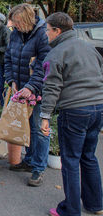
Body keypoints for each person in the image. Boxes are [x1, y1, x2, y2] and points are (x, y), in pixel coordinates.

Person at [40, 12, 103, 216]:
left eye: (47, 30)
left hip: (75, 111)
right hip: (97, 107)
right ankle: (96, 205)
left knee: (71, 160)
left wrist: (45, 116)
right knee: (88, 156)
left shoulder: (56, 54)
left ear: (57, 31)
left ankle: (70, 210)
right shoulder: (88, 47)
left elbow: (51, 88)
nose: (46, 34)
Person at [5, 3, 51, 187]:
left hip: (38, 90)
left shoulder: (42, 35)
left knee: (40, 129)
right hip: (21, 88)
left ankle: (38, 168)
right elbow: (9, 57)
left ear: (26, 20)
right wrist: (11, 81)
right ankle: (30, 160)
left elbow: (44, 64)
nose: (14, 25)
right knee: (27, 126)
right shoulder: (16, 34)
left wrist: (31, 86)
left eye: (16, 22)